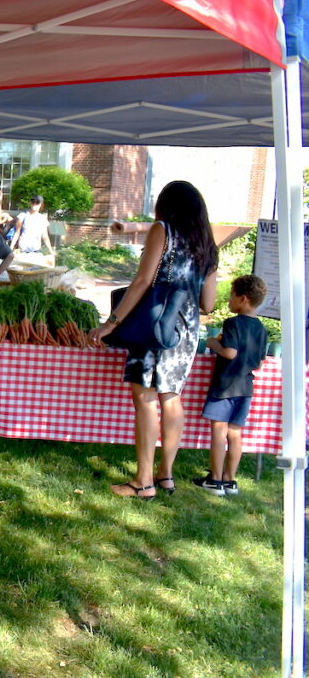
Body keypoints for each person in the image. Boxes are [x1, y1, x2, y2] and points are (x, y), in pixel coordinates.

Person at [89, 181, 218, 500]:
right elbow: (209, 303)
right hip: (187, 328)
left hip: (156, 322)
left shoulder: (163, 230)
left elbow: (143, 280)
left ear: (167, 206)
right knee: (171, 397)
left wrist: (111, 323)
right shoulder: (207, 244)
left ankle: (143, 482)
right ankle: (165, 475)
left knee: (145, 398)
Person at [193, 274, 268, 497]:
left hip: (225, 385)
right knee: (235, 433)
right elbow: (260, 363)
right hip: (245, 387)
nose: (228, 301)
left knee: (219, 432)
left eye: (232, 296)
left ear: (243, 299)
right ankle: (230, 479)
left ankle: (215, 480)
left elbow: (230, 352)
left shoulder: (233, 323)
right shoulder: (261, 329)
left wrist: (213, 342)